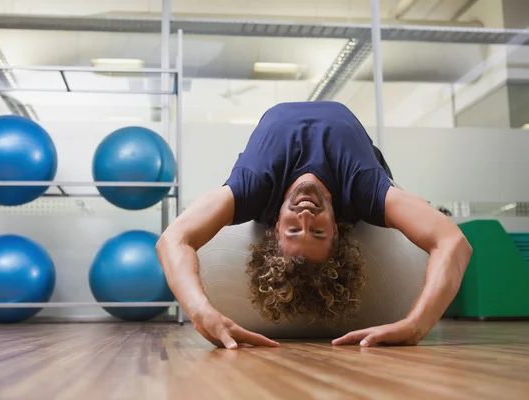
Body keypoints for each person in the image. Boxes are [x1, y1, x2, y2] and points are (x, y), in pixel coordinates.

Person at [156, 101, 472, 350]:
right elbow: (453, 241)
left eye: (294, 229)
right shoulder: (364, 190)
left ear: (275, 226)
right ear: (336, 230)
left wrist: (201, 313)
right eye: (317, 231)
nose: (306, 216)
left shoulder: (252, 189)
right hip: (368, 165)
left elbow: (173, 240)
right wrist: (416, 325)